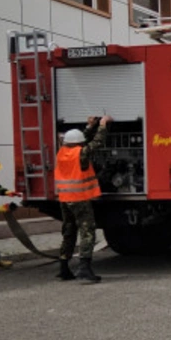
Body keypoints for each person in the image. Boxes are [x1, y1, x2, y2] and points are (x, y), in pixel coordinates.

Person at [55, 115, 110, 284]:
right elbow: (96, 143)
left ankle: (64, 268)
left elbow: (79, 141)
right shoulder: (81, 154)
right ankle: (84, 267)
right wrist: (102, 125)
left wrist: (89, 126)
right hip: (79, 199)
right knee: (87, 232)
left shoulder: (62, 152)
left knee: (69, 231)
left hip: (64, 199)